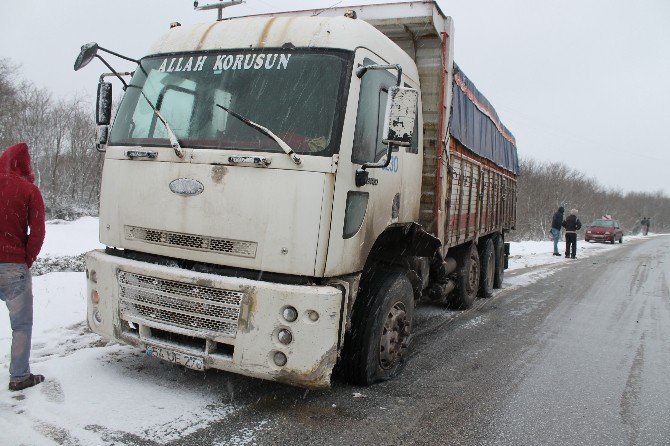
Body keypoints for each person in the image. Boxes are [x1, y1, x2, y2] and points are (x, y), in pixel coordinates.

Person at [0, 142, 46, 391]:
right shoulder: (29, 190)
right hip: (13, 268)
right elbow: (38, 232)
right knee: (21, 325)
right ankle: (19, 376)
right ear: (25, 165)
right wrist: (26, 258)